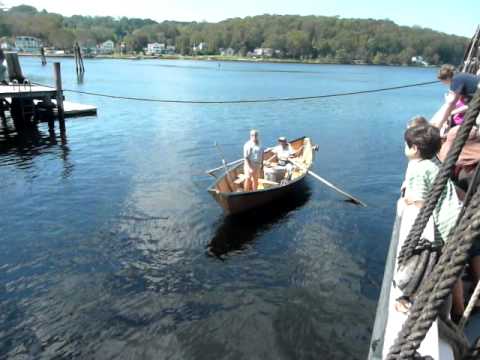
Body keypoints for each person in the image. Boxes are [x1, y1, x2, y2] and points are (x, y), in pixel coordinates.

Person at [398, 125, 464, 317]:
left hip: (445, 226)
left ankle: (453, 311)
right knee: (454, 269)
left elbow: (423, 203)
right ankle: (460, 309)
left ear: (414, 149)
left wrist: (410, 199)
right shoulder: (435, 163)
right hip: (457, 219)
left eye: (406, 145)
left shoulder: (419, 169)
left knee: (442, 271)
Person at [434, 64, 480, 129]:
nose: (444, 84)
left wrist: (440, 124)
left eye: (442, 82)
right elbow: (470, 104)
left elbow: (452, 104)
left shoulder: (455, 81)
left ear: (446, 78)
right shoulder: (460, 75)